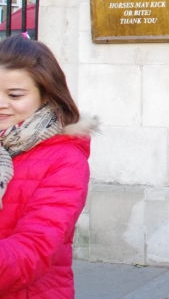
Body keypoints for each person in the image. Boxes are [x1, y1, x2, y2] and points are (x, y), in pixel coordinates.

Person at [0, 34, 96, 298]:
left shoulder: (66, 159)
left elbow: (35, 249)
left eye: (14, 94)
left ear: (45, 95)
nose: (1, 103)